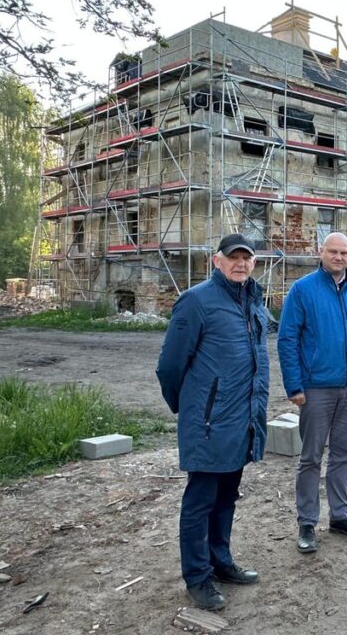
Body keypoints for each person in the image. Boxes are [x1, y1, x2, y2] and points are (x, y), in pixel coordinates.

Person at [156, 233, 271, 611]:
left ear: (254, 263)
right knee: (200, 500)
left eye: (247, 258)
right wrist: (192, 409)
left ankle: (220, 561)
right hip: (208, 422)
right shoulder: (197, 301)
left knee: (226, 497)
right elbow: (169, 367)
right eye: (233, 258)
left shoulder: (252, 300)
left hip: (241, 420)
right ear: (216, 261)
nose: (240, 264)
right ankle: (198, 577)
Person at [277, 231, 347, 554]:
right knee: (311, 457)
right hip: (316, 388)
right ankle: (307, 522)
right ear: (321, 252)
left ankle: (341, 515)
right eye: (333, 251)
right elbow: (287, 340)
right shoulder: (303, 290)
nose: (339, 257)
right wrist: (294, 385)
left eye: (344, 253)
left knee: (343, 454)